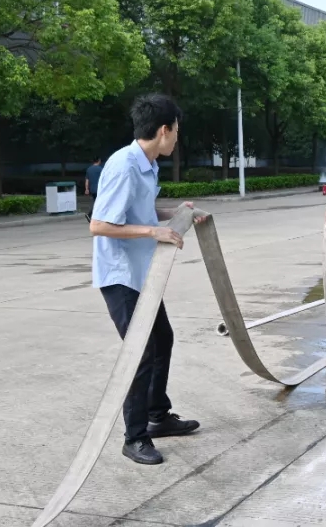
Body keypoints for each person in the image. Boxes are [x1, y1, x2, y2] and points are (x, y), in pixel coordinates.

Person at [89, 94, 207, 466]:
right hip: (120, 276)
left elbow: (138, 210)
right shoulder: (124, 165)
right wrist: (154, 232)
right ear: (164, 130)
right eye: (177, 132)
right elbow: (99, 224)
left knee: (162, 340)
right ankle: (135, 437)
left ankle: (158, 416)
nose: (177, 138)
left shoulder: (148, 164)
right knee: (139, 352)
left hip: (142, 274)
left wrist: (175, 212)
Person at [84, 156, 103, 222]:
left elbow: (87, 180)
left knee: (96, 202)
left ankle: (96, 217)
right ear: (99, 160)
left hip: (92, 189)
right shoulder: (100, 169)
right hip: (99, 189)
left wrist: (86, 189)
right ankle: (90, 214)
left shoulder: (89, 169)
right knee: (99, 203)